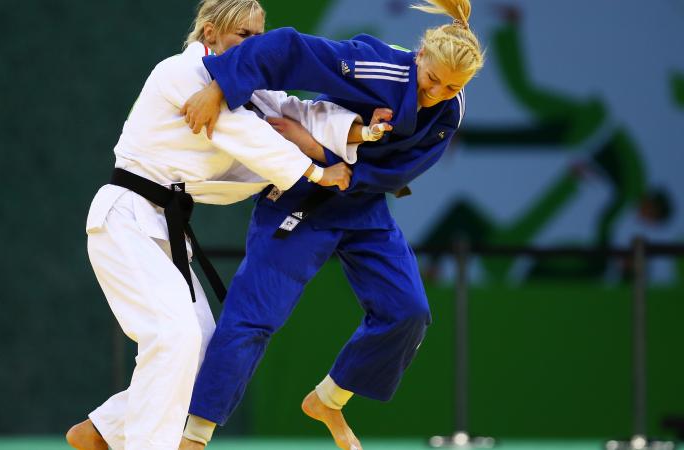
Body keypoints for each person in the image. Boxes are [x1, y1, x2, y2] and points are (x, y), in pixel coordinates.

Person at [62, 0, 392, 448]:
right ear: (211, 34)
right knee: (173, 334)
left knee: (201, 344)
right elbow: (245, 135)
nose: (254, 46)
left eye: (260, 37)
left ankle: (103, 432)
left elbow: (296, 114)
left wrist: (359, 130)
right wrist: (316, 172)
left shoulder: (248, 91)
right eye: (243, 36)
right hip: (126, 217)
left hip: (164, 226)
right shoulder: (183, 75)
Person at [177, 1, 484, 449]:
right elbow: (288, 47)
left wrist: (329, 159)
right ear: (419, 56)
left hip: (360, 200)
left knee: (408, 312)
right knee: (254, 316)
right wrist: (219, 88)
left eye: (451, 85)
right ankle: (195, 436)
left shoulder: (451, 109)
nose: (435, 91)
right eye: (431, 78)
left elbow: (399, 172)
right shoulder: (377, 67)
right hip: (302, 193)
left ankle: (328, 399)